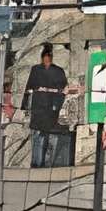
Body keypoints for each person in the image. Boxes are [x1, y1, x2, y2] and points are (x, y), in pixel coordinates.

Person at [21, 42, 74, 170]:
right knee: (39, 135)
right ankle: (37, 162)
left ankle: (45, 162)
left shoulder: (58, 71)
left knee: (49, 135)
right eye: (45, 56)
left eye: (48, 56)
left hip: (52, 106)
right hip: (39, 105)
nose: (46, 58)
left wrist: (57, 103)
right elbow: (29, 88)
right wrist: (25, 106)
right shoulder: (36, 69)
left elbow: (63, 90)